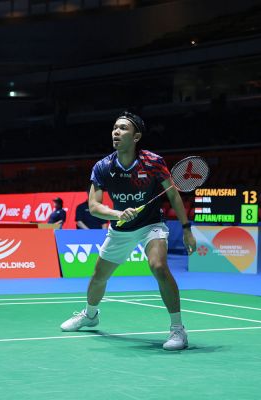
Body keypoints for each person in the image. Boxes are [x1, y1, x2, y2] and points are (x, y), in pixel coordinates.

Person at [60, 111, 196, 351]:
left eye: (123, 128)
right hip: (121, 228)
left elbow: (173, 195)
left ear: (136, 137)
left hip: (151, 224)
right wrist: (118, 214)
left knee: (158, 266)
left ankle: (178, 330)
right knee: (98, 277)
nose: (116, 131)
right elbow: (94, 206)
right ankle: (90, 315)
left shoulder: (152, 162)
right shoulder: (103, 166)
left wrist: (186, 229)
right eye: (115, 127)